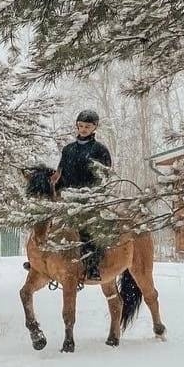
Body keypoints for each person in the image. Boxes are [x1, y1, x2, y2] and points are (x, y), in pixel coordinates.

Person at [51, 108, 113, 280]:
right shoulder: (68, 150)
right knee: (48, 224)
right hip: (67, 198)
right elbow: (60, 173)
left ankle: (92, 266)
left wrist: (93, 195)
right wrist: (55, 188)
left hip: (89, 200)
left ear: (94, 128)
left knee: (88, 230)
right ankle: (40, 262)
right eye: (81, 126)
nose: (83, 129)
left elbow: (105, 176)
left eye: (87, 126)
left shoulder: (100, 150)